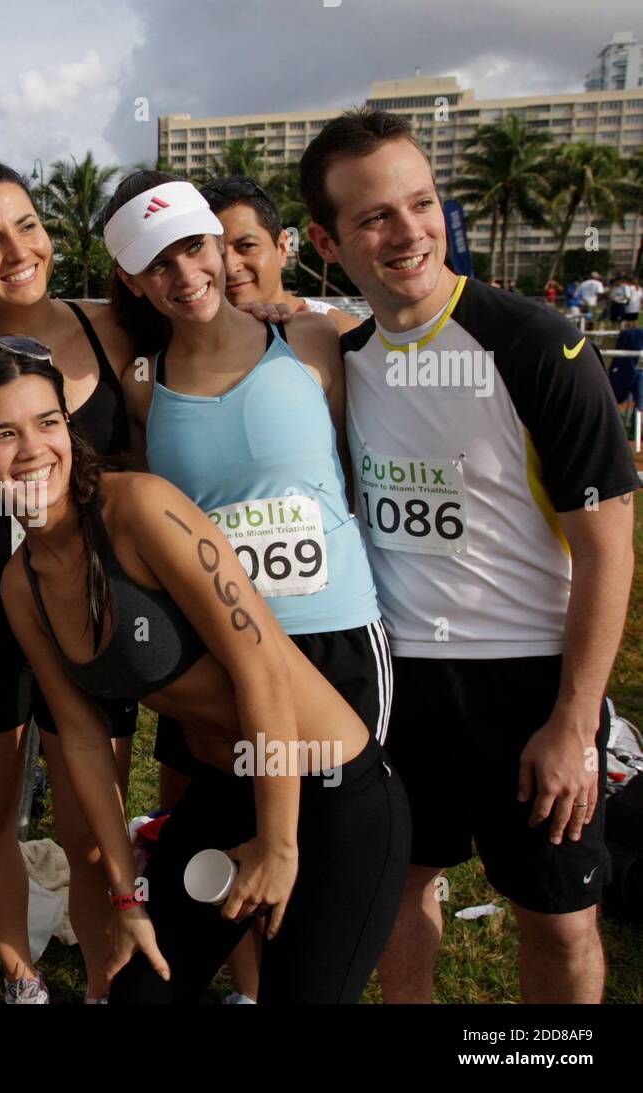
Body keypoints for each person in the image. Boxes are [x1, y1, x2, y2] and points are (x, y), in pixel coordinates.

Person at [0, 339, 410, 1003]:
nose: (32, 450)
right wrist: (128, 897)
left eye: (47, 423)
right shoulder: (23, 585)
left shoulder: (140, 510)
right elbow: (79, 738)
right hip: (224, 793)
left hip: (332, 793)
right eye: (2, 433)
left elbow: (263, 665)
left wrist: (278, 843)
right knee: (140, 992)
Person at [302, 107, 637, 1003]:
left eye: (421, 202)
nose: (408, 231)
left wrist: (574, 721)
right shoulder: (344, 356)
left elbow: (609, 552)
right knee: (401, 888)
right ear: (326, 241)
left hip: (531, 684)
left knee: (559, 920)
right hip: (402, 678)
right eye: (374, 217)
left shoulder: (538, 343)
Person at [104, 173, 388, 1005]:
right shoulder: (142, 383)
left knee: (326, 853)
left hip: (336, 645)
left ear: (219, 245)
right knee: (233, 846)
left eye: (193, 247)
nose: (183, 272)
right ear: (130, 280)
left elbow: (355, 473)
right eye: (155, 264)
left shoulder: (313, 340)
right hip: (224, 657)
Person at [0, 160, 138, 1003]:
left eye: (28, 225)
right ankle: (22, 976)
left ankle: (100, 978)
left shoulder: (115, 330)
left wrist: (283, 302)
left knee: (93, 826)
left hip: (93, 612)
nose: (17, 251)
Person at [200, 175, 362, 335]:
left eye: (246, 246)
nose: (229, 266)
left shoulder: (337, 334)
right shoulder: (191, 340)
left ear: (282, 247)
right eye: (216, 252)